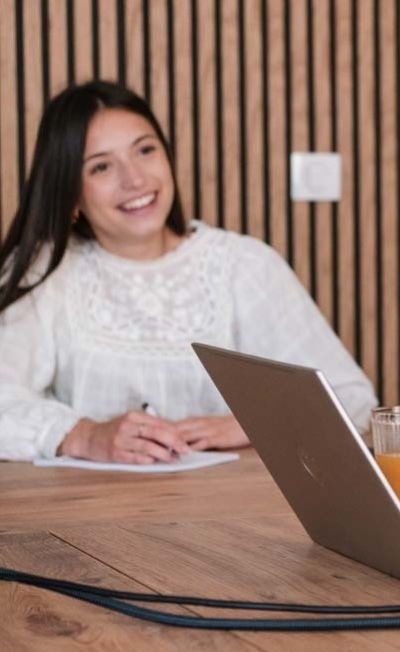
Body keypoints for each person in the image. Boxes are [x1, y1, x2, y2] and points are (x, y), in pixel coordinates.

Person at [0, 81, 376, 463]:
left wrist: (254, 425)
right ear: (71, 195)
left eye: (145, 150)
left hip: (236, 500)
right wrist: (85, 435)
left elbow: (353, 401)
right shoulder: (43, 274)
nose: (135, 179)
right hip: (85, 502)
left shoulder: (244, 265)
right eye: (101, 166)